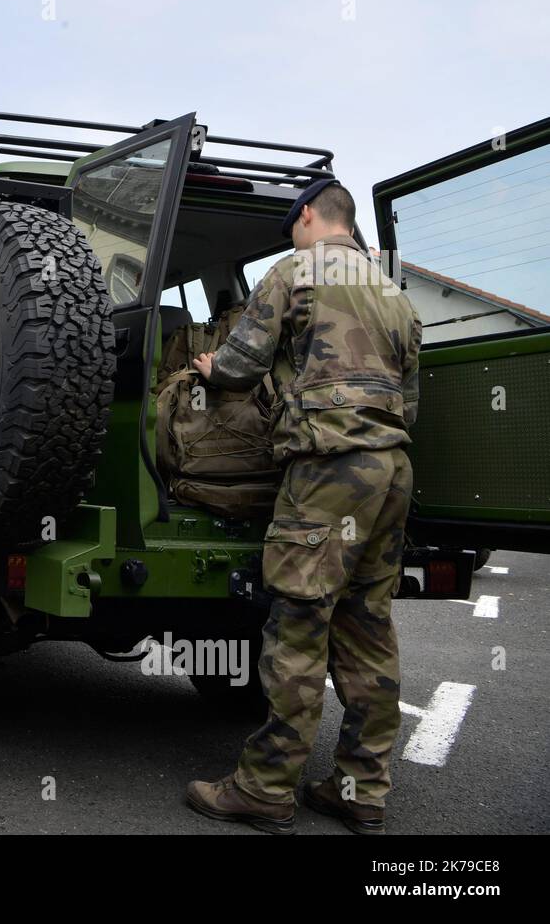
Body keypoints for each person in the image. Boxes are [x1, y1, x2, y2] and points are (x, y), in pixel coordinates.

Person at [185, 179, 422, 834]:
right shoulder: (395, 294)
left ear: (311, 216)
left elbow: (242, 361)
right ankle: (360, 789)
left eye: (294, 223)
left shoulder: (297, 270)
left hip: (326, 468)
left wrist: (210, 370)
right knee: (368, 625)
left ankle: (264, 789)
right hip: (391, 471)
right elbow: (412, 397)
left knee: (298, 623)